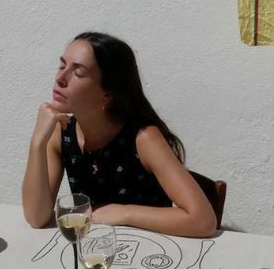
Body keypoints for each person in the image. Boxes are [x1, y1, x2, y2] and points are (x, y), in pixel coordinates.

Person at [22, 32, 217, 238]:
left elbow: (203, 221)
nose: (60, 78)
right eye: (62, 66)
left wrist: (123, 212)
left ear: (107, 94)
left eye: (78, 73)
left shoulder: (143, 138)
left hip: (151, 253)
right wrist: (37, 142)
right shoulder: (60, 132)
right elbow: (36, 218)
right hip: (96, 249)